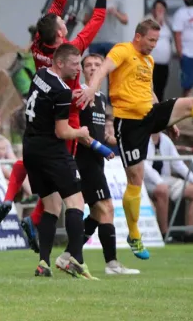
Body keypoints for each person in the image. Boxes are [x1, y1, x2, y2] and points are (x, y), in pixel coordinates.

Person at [77, 18, 193, 260]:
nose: (154, 45)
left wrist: (167, 122)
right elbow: (103, 69)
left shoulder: (148, 60)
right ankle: (134, 234)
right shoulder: (122, 50)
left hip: (150, 114)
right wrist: (91, 88)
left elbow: (149, 92)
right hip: (129, 123)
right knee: (135, 179)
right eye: (151, 40)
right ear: (139, 36)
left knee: (192, 104)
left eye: (156, 40)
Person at [0, 0, 116, 234]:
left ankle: (12, 202)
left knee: (32, 160)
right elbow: (98, 17)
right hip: (64, 113)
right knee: (64, 176)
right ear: (59, 35)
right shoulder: (72, 51)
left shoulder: (37, 42)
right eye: (61, 24)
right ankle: (45, 230)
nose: (63, 21)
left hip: (37, 108)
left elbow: (57, 5)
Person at [23, 43, 96, 279]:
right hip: (51, 151)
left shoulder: (41, 74)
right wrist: (81, 131)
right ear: (61, 63)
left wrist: (68, 97)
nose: (79, 69)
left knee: (51, 206)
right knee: (76, 202)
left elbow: (47, 101)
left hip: (31, 148)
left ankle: (43, 263)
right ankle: (74, 259)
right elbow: (62, 132)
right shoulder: (62, 91)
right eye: (75, 64)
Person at [62, 53, 139, 274]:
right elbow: (78, 132)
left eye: (98, 64)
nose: (94, 68)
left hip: (96, 162)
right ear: (82, 70)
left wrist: (120, 140)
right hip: (84, 161)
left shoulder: (102, 98)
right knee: (106, 208)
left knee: (98, 213)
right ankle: (112, 263)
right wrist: (102, 149)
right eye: (89, 65)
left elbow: (100, 133)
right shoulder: (78, 95)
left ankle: (68, 254)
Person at [144, 132, 193, 242]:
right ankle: (165, 234)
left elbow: (178, 164)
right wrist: (159, 182)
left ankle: (190, 234)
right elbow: (145, 167)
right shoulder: (142, 139)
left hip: (165, 179)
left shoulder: (166, 140)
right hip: (146, 180)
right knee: (162, 191)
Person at [145, 0, 173, 102]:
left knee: (161, 88)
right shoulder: (148, 20)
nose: (160, 11)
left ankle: (159, 109)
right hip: (151, 63)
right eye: (158, 9)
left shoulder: (167, 22)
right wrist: (157, 21)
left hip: (164, 64)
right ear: (153, 10)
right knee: (151, 89)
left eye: (162, 9)